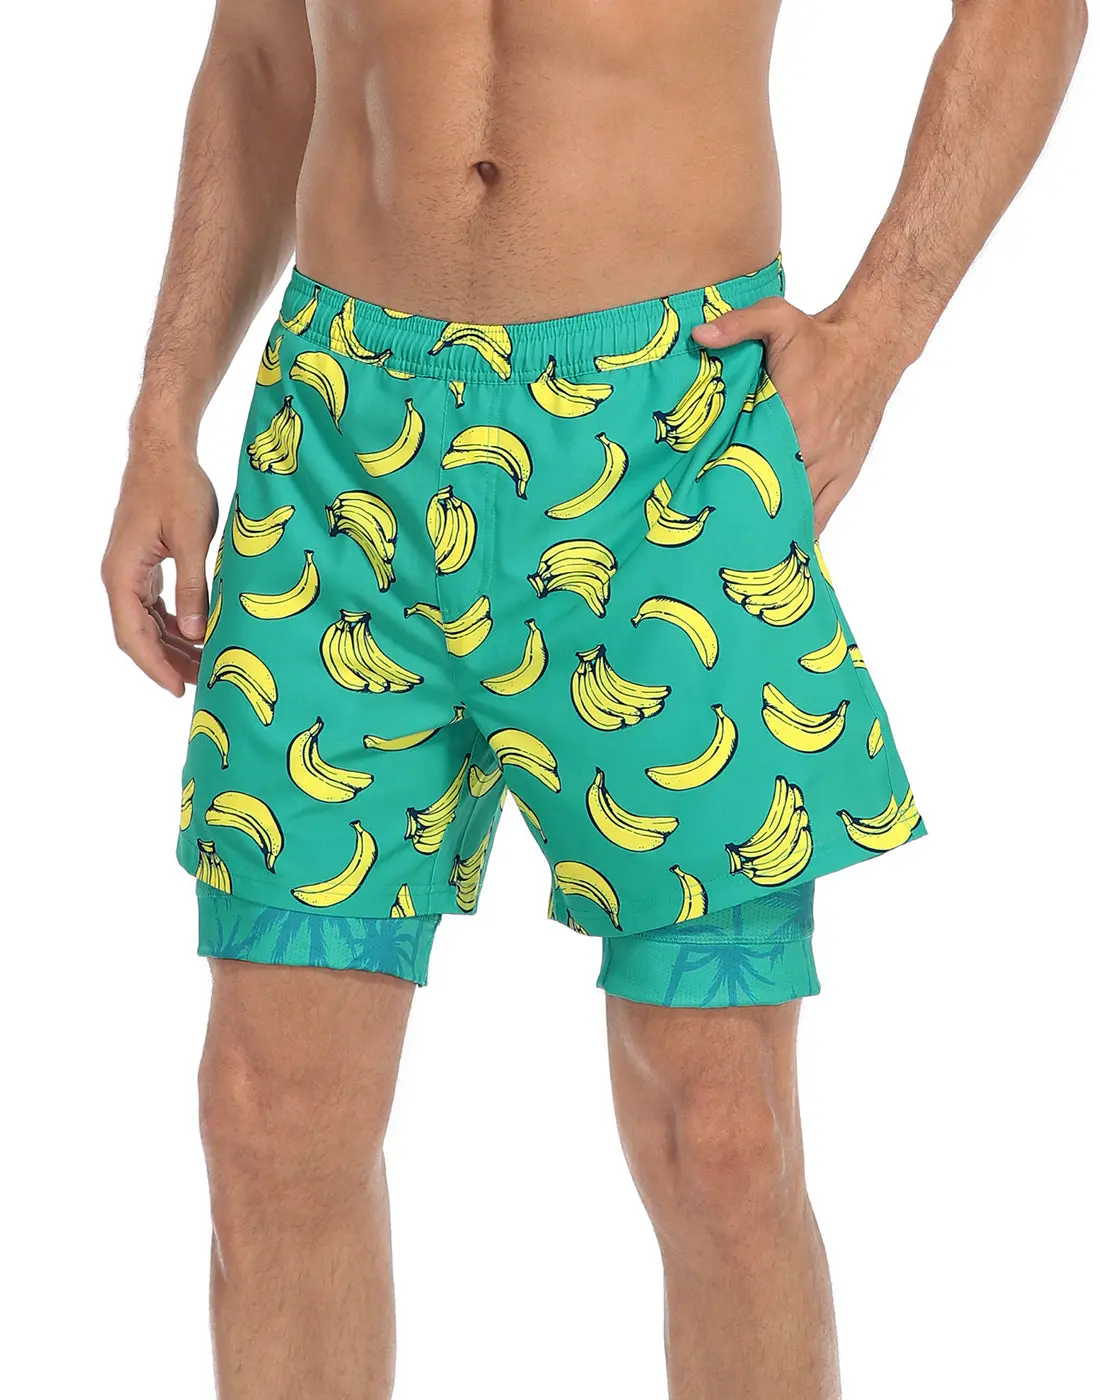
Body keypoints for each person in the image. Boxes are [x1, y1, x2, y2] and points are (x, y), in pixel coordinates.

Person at [100, 2, 1088, 1396]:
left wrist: (876, 337)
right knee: (267, 1119)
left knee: (723, 1134)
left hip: (669, 445)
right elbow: (265, 49)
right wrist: (162, 414)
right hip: (340, 450)